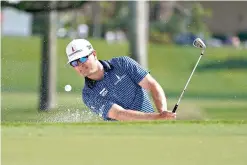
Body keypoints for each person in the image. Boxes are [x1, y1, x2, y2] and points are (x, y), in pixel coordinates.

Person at [65, 39, 176, 121]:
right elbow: (119, 114)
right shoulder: (88, 94)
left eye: (83, 58)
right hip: (123, 139)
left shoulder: (122, 63)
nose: (80, 65)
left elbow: (152, 85)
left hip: (152, 126)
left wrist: (163, 113)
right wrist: (157, 117)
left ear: (94, 54)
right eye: (74, 63)